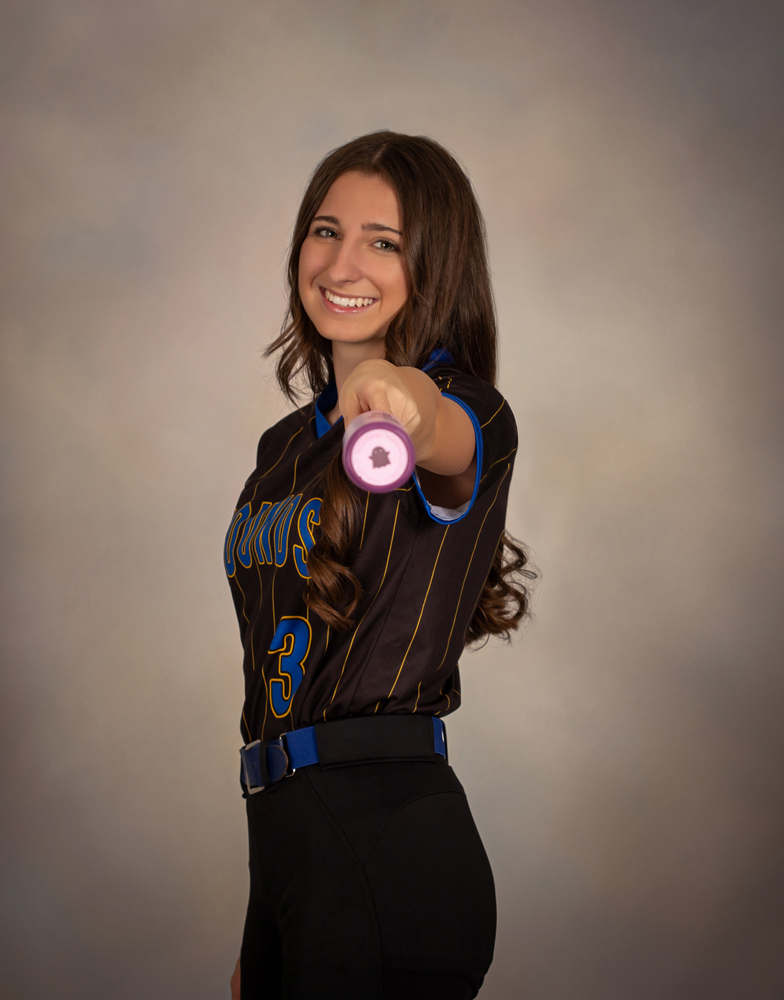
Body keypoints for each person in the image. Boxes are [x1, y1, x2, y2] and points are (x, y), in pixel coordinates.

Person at [225, 130, 535, 1000]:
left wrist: (403, 399)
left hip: (388, 837)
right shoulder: (283, 447)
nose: (341, 263)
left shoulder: (473, 410)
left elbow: (439, 429)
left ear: (434, 267)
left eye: (385, 242)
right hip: (287, 840)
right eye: (326, 231)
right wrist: (266, 911)